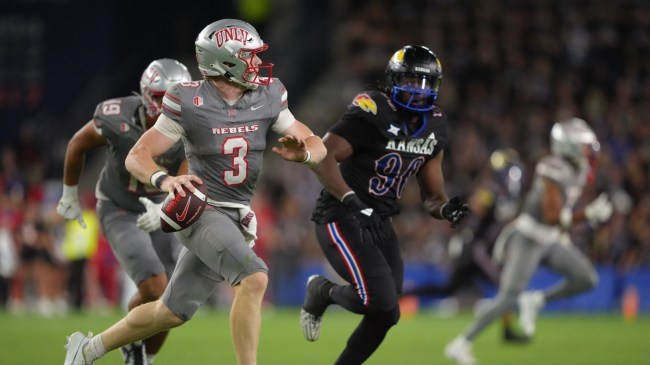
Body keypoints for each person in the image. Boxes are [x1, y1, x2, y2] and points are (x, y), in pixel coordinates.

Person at [63, 18, 326, 365]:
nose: (258, 64)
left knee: (170, 313)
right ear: (225, 60)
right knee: (255, 278)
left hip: (235, 213)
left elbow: (314, 142)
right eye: (249, 56)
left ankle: (87, 349)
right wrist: (164, 180)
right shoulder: (188, 100)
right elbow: (137, 155)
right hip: (199, 210)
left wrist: (306, 152)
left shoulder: (269, 95)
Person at [301, 45, 469, 364]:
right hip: (341, 214)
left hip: (379, 221)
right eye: (409, 81)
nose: (417, 91)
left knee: (388, 313)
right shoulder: (373, 109)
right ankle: (322, 291)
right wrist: (350, 198)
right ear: (393, 80)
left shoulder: (434, 126)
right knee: (378, 300)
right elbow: (322, 156)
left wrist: (446, 209)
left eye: (424, 83)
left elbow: (433, 196)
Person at [444, 118, 614, 365]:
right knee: (508, 296)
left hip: (550, 238)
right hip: (528, 238)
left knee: (587, 278)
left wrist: (569, 229)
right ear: (568, 146)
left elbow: (559, 214)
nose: (589, 150)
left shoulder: (579, 169)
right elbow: (553, 215)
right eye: (583, 145)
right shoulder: (552, 166)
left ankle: (536, 301)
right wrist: (586, 215)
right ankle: (460, 344)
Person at [57, 58, 192, 364]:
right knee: (156, 287)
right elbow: (78, 144)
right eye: (161, 97)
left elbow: (187, 181)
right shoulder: (118, 117)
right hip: (119, 207)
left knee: (174, 298)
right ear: (145, 94)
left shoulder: (189, 129)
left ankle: (141, 355)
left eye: (175, 97)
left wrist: (167, 211)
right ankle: (122, 344)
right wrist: (69, 194)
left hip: (162, 208)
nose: (168, 105)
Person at [403, 148, 529, 343]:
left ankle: (401, 294)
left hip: (480, 248)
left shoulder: (504, 194)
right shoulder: (491, 190)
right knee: (505, 284)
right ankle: (507, 331)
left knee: (448, 289)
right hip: (474, 248)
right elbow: (474, 209)